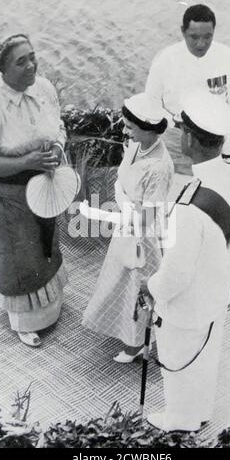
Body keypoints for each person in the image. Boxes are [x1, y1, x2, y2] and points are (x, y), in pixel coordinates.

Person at [145, 90, 230, 432]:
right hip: (216, 294)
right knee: (206, 357)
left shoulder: (189, 207)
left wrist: (151, 287)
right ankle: (202, 410)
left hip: (185, 303)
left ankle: (180, 420)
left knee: (178, 362)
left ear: (190, 138)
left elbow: (176, 274)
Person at [0, 34, 67, 347]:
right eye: (21, 61)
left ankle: (49, 308)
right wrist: (26, 160)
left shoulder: (43, 88)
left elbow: (59, 127)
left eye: (32, 56)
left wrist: (56, 148)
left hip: (44, 187)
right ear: (3, 70)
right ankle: (24, 322)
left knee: (44, 250)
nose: (31, 65)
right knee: (19, 260)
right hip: (7, 197)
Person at [82, 93, 174, 363]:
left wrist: (103, 212)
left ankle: (137, 345)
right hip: (126, 228)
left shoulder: (159, 168)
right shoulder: (136, 146)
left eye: (130, 127)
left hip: (141, 238)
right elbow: (124, 183)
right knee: (120, 285)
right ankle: (129, 334)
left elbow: (146, 219)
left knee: (136, 291)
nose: (124, 131)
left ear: (147, 128)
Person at [145, 4, 230, 173]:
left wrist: (228, 154)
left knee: (209, 189)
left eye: (207, 37)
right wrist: (172, 121)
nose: (201, 44)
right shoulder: (165, 59)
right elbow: (151, 101)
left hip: (213, 141)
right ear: (183, 31)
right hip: (176, 137)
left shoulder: (229, 58)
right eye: (194, 37)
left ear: (214, 32)